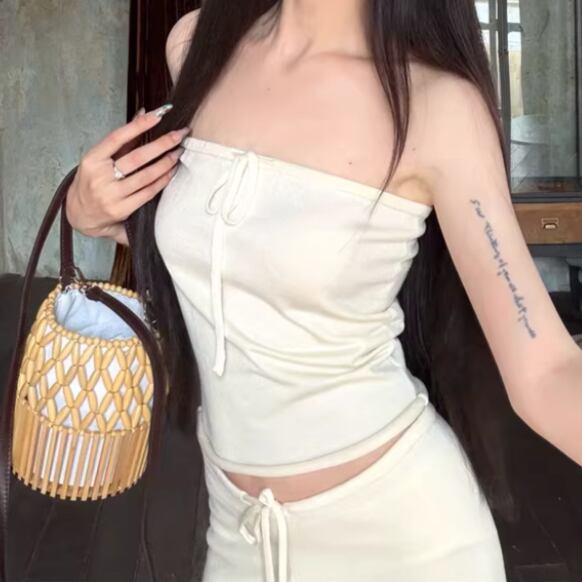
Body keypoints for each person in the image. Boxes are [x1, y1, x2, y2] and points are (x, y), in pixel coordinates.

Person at [66, 1, 582, 581]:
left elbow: (546, 371)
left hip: (403, 544)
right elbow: (236, 254)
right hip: (238, 540)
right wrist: (94, 214)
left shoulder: (437, 106)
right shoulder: (196, 45)